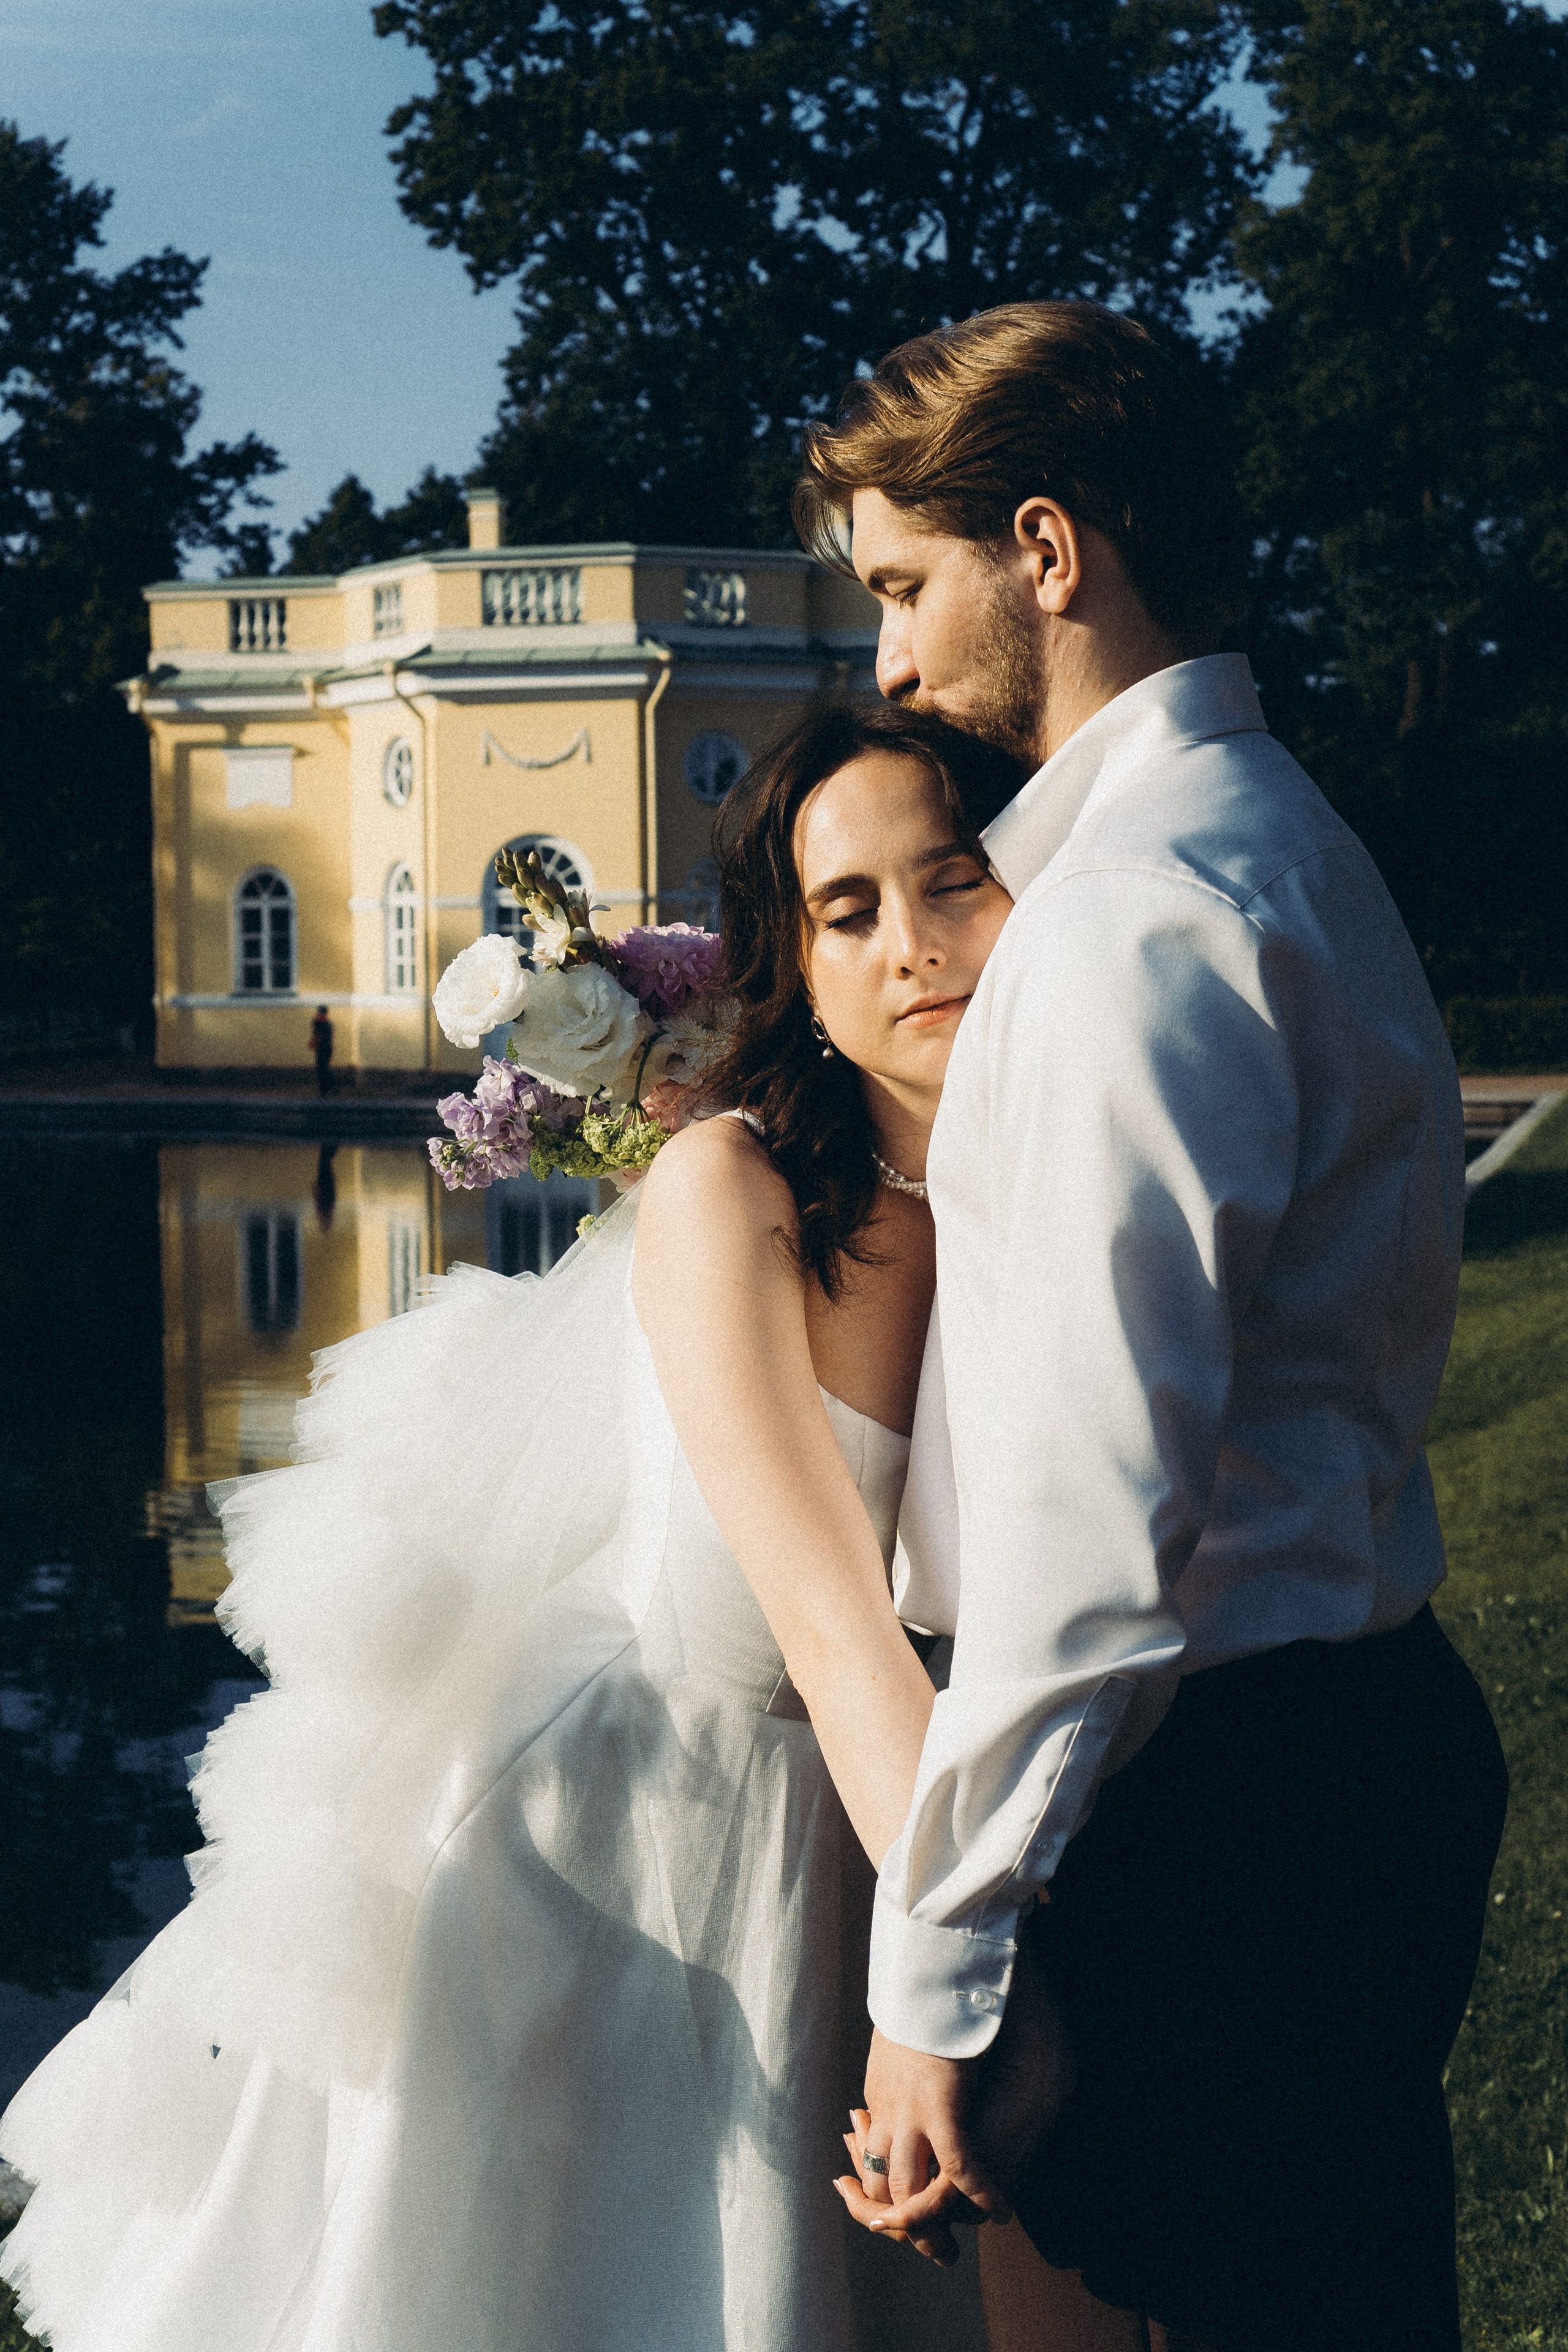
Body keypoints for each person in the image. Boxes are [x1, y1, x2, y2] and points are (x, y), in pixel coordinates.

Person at [0, 706, 1023, 2352]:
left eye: (956, 883)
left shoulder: (1008, 1192)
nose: (913, 949)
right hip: (604, 1848)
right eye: (847, 912)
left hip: (835, 1824)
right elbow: (836, 1635)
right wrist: (986, 1973)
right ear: (797, 968)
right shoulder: (730, 1192)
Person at [799, 301, 1509, 2350]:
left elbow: (1090, 1541)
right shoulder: (1281, 839)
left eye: (907, 589)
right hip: (1339, 1741)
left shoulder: (1129, 920)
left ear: (1047, 550)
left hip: (1228, 1812)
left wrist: (933, 1986)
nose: (894, 666)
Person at [309, 1003, 334, 1096]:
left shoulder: (319, 1022)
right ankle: (331, 1087)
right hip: (327, 1048)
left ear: (320, 1012)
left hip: (322, 1048)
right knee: (325, 1068)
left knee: (321, 1069)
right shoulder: (328, 1023)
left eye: (319, 1012)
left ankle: (324, 1090)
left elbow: (317, 1034)